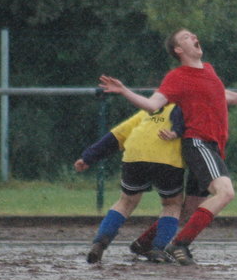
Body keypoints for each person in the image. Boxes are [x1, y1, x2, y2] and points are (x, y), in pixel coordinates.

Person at [98, 28, 237, 265]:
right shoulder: (177, 77)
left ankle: (144, 244)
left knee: (188, 210)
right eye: (186, 37)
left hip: (212, 145)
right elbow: (152, 105)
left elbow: (222, 95)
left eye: (193, 35)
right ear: (178, 50)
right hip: (198, 142)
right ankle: (180, 244)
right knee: (225, 192)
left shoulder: (209, 70)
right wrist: (124, 91)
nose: (194, 37)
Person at [74, 103, 186, 264]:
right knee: (172, 204)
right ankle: (158, 249)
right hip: (167, 159)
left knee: (126, 202)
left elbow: (116, 136)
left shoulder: (149, 110)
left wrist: (88, 157)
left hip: (135, 155)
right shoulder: (186, 109)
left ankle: (99, 243)